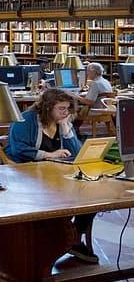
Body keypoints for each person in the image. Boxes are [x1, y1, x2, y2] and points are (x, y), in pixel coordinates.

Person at [5, 88, 95, 263]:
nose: (66, 112)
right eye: (61, 108)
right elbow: (18, 150)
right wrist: (48, 155)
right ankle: (60, 240)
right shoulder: (26, 120)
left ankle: (73, 236)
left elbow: (76, 152)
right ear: (48, 107)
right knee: (62, 197)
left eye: (68, 108)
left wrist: (66, 128)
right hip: (26, 173)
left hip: (55, 173)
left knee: (90, 193)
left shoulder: (62, 122)